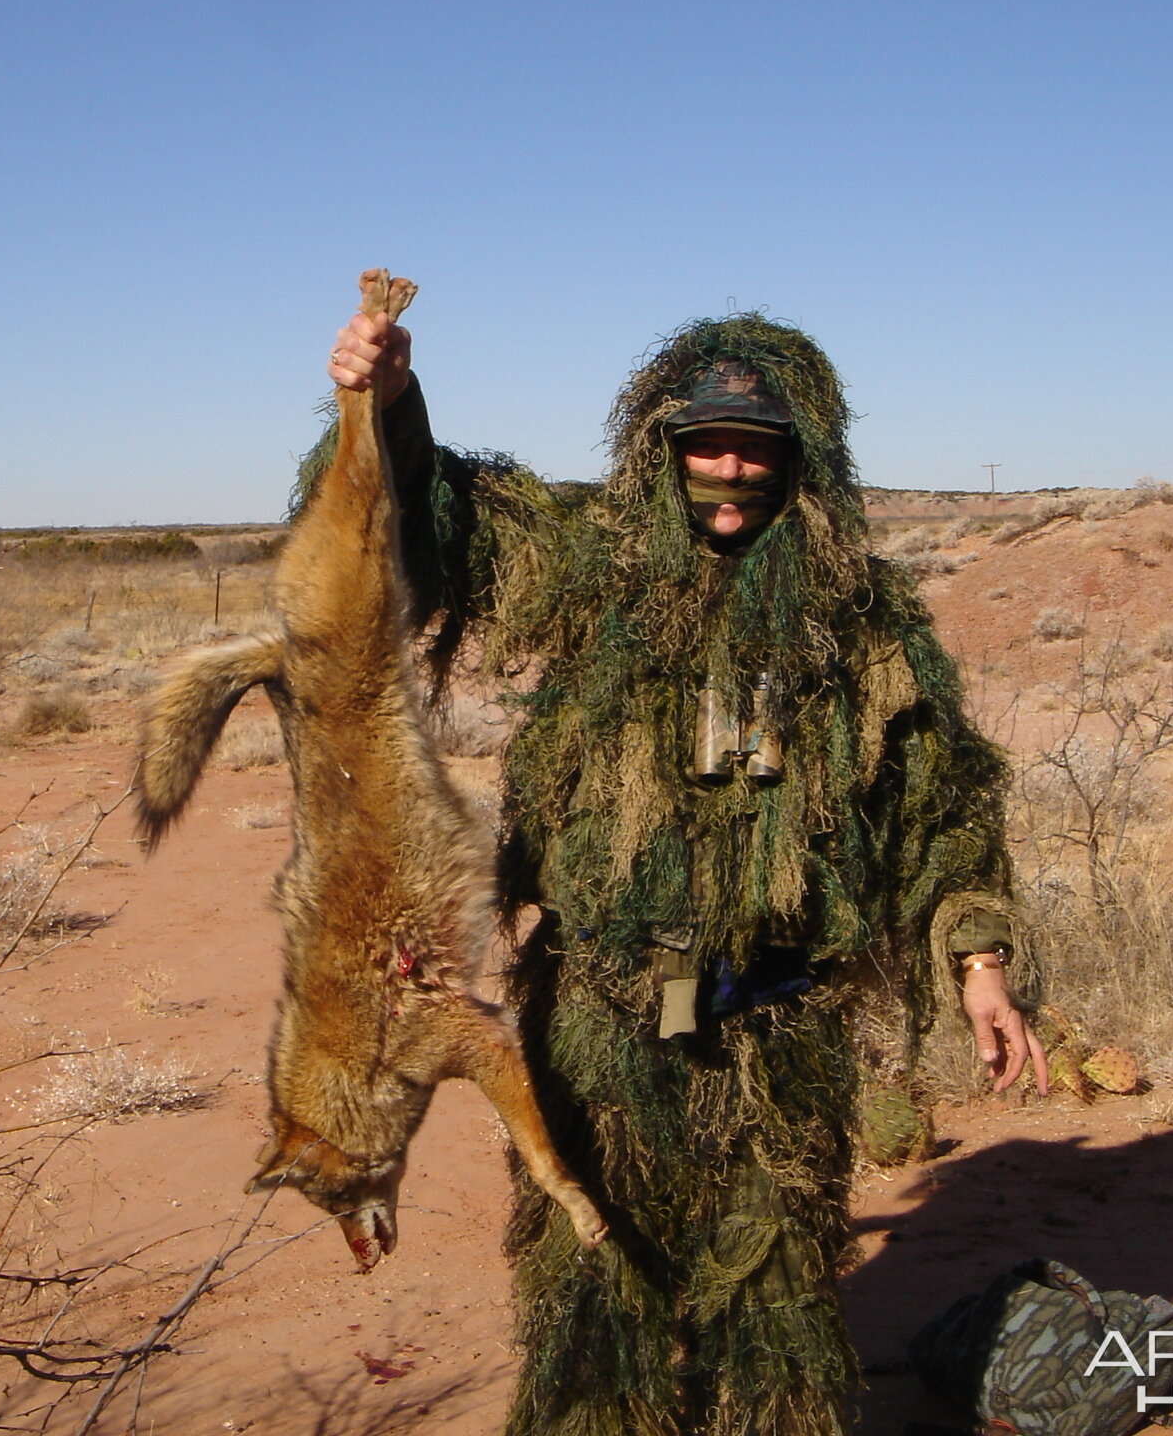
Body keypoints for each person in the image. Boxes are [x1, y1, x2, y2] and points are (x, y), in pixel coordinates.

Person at [320, 303, 1046, 1436]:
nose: (728, 468)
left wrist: (978, 961)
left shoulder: (856, 623)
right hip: (592, 1024)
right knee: (589, 1299)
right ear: (657, 448)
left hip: (777, 1033)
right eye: (704, 442)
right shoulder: (592, 564)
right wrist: (388, 407)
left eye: (756, 445)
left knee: (773, 1309)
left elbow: (939, 801)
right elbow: (426, 527)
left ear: (803, 458)